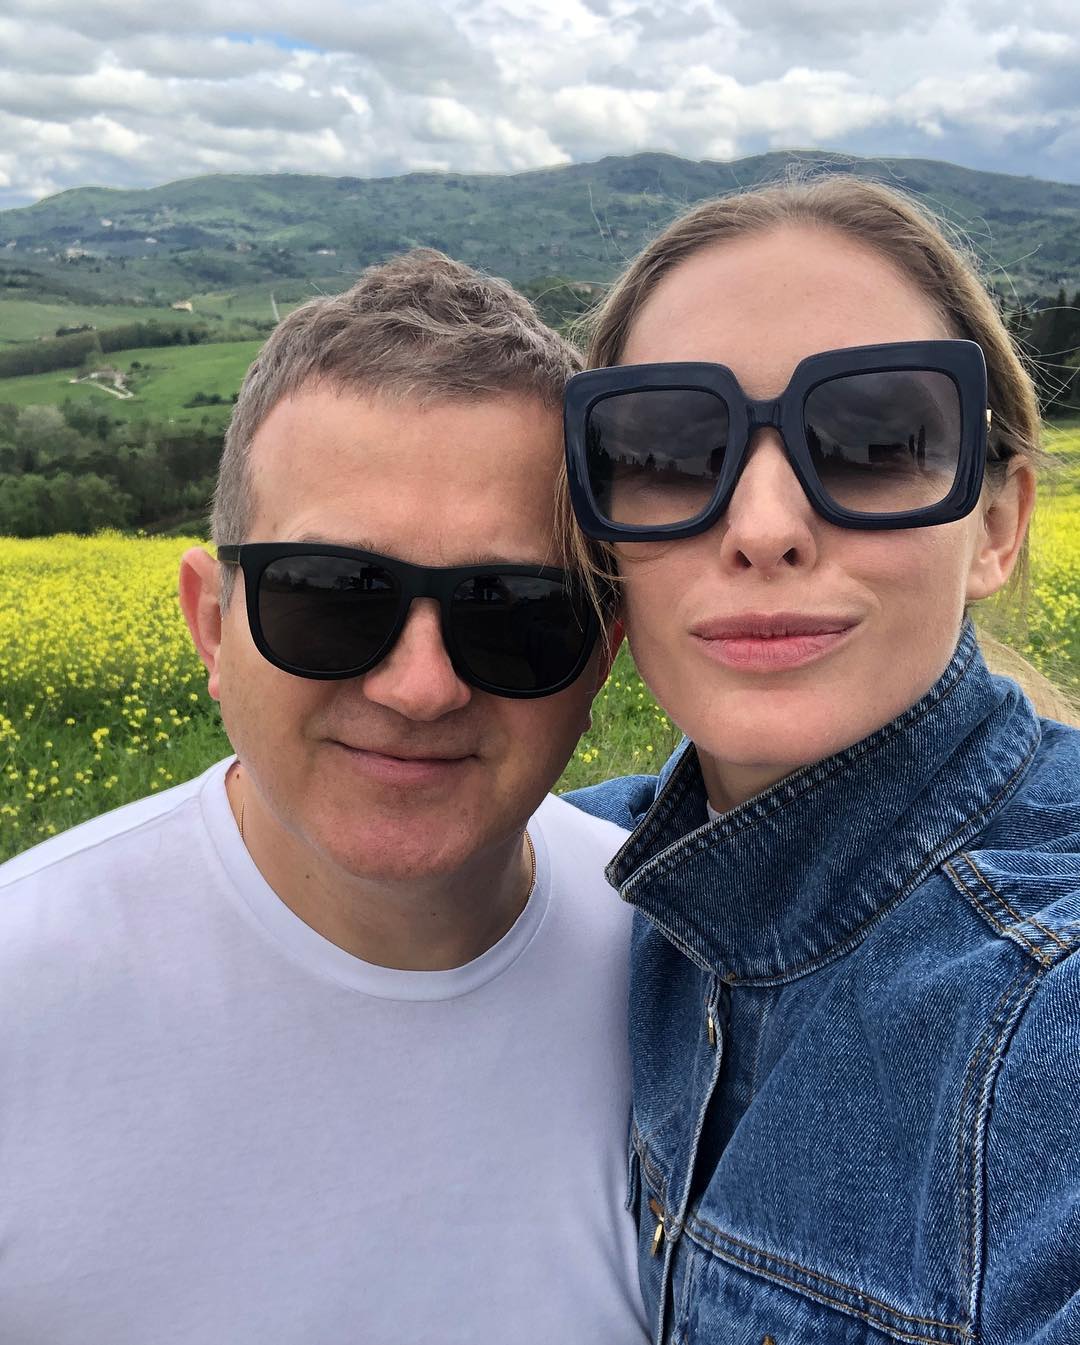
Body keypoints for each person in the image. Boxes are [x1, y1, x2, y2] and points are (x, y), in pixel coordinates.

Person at [0, 251, 648, 1343]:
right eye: (333, 595)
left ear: (602, 659)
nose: (420, 686)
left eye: (513, 609)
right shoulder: (20, 996)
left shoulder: (689, 986)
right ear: (212, 626)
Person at [563, 177, 1080, 1344]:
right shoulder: (579, 879)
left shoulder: (1049, 1007)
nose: (762, 528)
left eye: (874, 439)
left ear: (997, 525)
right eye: (667, 450)